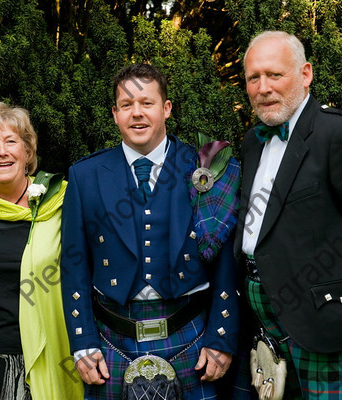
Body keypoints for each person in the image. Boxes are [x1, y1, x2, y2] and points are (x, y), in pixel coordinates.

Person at [60, 63, 241, 399]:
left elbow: (225, 261)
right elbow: (73, 265)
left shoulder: (206, 167)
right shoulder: (86, 175)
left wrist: (220, 336)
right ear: (115, 114)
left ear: (166, 108)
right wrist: (83, 341)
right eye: (127, 106)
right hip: (111, 340)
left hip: (192, 337)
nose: (137, 114)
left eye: (147, 103)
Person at [235, 30, 342, 398]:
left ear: (306, 74)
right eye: (253, 78)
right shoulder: (252, 142)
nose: (263, 87)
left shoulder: (339, 134)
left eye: (275, 75)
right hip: (266, 325)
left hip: (330, 327)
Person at [0, 101, 84, 399]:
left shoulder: (62, 202)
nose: (2, 151)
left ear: (28, 152)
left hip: (50, 357)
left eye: (11, 141)